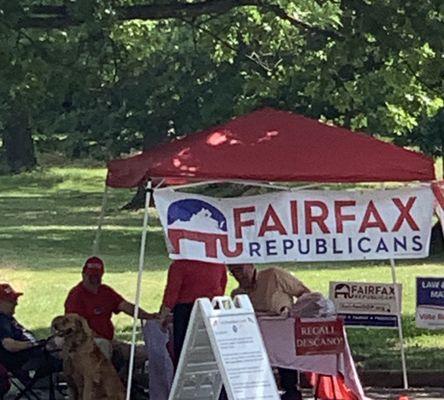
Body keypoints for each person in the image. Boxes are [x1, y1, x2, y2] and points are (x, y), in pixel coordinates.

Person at [228, 264, 311, 400]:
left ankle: (291, 392)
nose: (238, 275)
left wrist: (293, 313)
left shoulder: (273, 275)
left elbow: (306, 293)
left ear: (250, 266)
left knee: (288, 374)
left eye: (240, 270)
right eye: (233, 272)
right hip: (255, 343)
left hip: (283, 336)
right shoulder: (238, 295)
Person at [64, 256, 156, 375]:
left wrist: (147, 316)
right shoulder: (76, 296)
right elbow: (76, 328)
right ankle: (103, 387)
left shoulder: (105, 292)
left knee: (142, 354)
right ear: (83, 274)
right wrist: (102, 339)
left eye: (97, 276)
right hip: (86, 342)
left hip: (109, 340)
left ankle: (127, 383)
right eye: (90, 276)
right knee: (104, 348)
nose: (94, 279)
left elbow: (125, 306)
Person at [158, 259, 227, 365]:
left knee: (184, 352)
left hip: (185, 312)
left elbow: (171, 293)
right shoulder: (217, 263)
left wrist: (162, 316)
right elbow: (222, 285)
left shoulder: (179, 265)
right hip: (211, 309)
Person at [0, 283, 62, 379]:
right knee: (68, 358)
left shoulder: (8, 318)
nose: (16, 303)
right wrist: (34, 344)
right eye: (11, 300)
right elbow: (9, 345)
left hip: (35, 355)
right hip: (26, 361)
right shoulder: (1, 320)